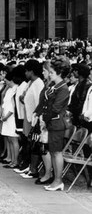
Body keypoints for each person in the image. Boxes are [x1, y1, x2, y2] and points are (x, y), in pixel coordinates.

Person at [34, 58, 70, 191]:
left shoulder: (63, 88)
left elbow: (55, 108)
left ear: (59, 72)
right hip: (51, 122)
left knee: (56, 152)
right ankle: (56, 179)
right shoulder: (56, 86)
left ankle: (58, 180)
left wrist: (44, 119)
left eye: (52, 72)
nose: (49, 74)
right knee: (54, 152)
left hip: (56, 123)